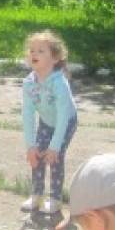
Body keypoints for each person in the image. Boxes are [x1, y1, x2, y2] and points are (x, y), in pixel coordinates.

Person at [20, 30, 78, 217]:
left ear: (55, 58)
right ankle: (36, 194)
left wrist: (54, 146)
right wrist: (30, 146)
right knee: (37, 155)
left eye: (41, 51)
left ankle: (55, 199)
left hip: (66, 121)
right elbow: (28, 115)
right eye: (31, 50)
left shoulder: (59, 83)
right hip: (46, 122)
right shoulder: (29, 83)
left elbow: (62, 116)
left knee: (55, 157)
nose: (34, 54)